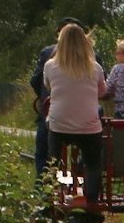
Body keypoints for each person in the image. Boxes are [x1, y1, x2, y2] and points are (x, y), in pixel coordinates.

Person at [44, 23, 107, 207]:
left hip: (59, 124)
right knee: (94, 163)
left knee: (52, 161)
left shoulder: (50, 66)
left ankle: (50, 197)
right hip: (88, 126)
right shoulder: (95, 68)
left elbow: (48, 86)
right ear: (85, 43)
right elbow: (101, 93)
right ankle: (92, 199)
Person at [29, 17, 80, 180]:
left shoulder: (48, 54)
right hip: (84, 117)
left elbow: (36, 81)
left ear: (59, 33)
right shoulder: (93, 57)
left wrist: (44, 97)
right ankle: (84, 176)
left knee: (43, 151)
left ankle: (44, 188)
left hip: (53, 112)